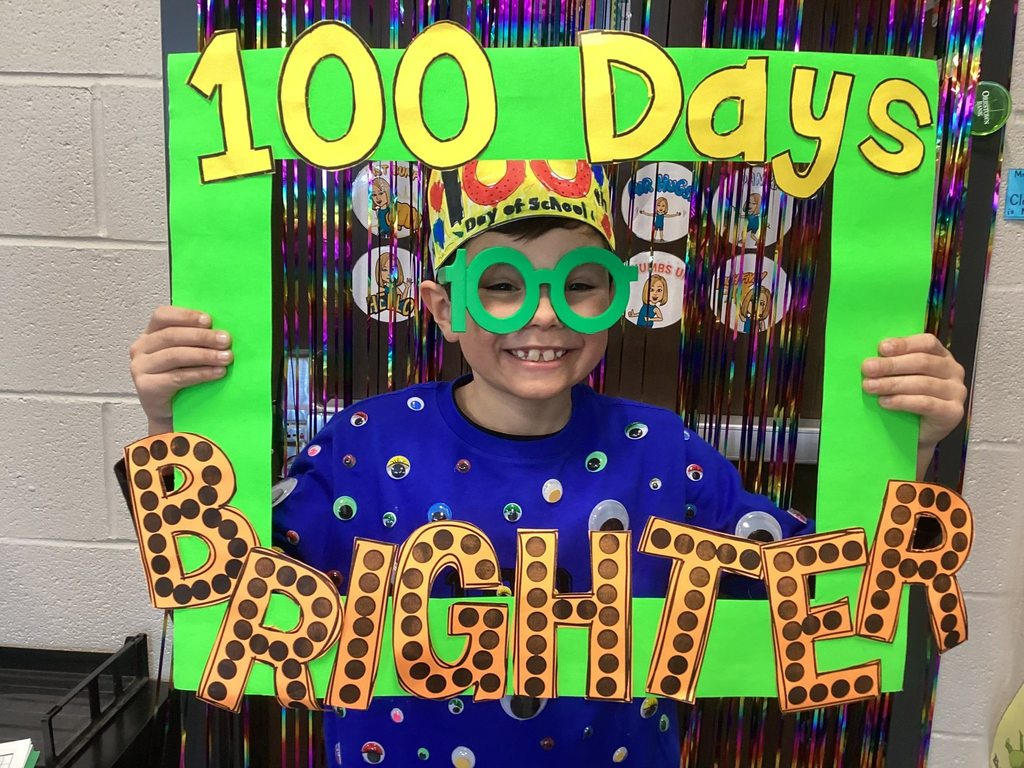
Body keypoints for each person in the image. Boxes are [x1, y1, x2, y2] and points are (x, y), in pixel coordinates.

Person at [128, 161, 966, 767]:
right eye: (500, 284)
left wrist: (909, 450)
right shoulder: (364, 445)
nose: (541, 315)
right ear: (442, 309)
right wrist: (177, 424)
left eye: (579, 283)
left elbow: (832, 589)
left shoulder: (665, 455)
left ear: (614, 300)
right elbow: (225, 583)